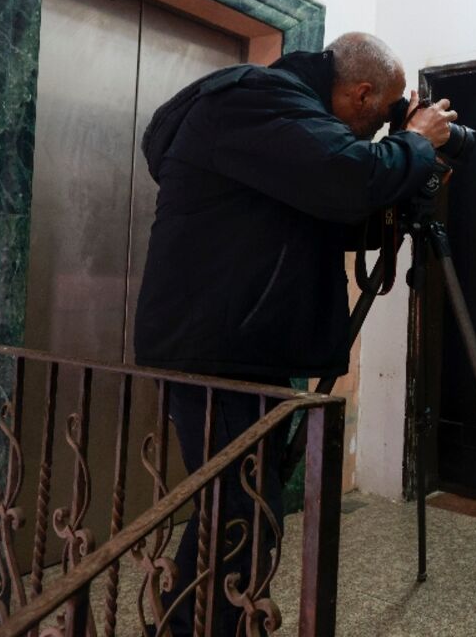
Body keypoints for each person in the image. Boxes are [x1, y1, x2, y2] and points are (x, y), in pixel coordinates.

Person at [133, 32, 456, 636]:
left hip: (242, 347)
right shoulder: (257, 99)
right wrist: (412, 143)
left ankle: (181, 626)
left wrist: (409, 168)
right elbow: (346, 177)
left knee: (233, 512)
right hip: (215, 351)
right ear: (361, 94)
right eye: (382, 112)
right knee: (240, 515)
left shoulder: (286, 120)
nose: (380, 126)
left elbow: (338, 212)